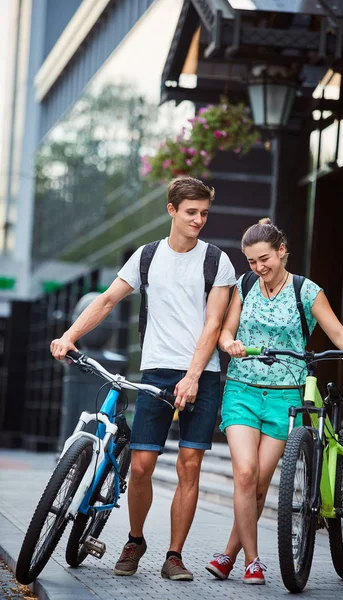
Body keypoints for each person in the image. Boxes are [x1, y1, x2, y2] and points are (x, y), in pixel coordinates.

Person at [50, 176, 236, 581]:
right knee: (140, 466)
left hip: (201, 376)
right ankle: (135, 539)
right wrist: (70, 336)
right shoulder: (147, 257)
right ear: (171, 210)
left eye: (204, 213)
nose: (199, 220)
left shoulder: (216, 260)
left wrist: (193, 376)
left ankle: (174, 555)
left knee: (189, 466)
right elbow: (106, 299)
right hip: (155, 371)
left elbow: (213, 325)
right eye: (191, 213)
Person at [205, 218, 343, 585]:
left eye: (264, 259)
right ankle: (253, 560)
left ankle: (227, 554)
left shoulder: (306, 290)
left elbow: (336, 332)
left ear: (282, 251)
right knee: (244, 473)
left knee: (259, 483)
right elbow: (226, 329)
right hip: (242, 389)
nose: (259, 267)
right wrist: (229, 343)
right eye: (251, 261)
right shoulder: (245, 285)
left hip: (286, 397)